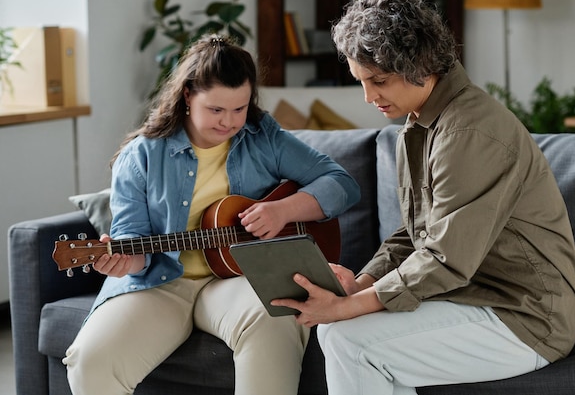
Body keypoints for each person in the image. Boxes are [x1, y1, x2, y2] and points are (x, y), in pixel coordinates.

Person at [271, 0, 575, 395]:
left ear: (416, 63)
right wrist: (361, 283)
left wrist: (347, 305)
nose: (368, 97)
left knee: (350, 340)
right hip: (475, 297)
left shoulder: (468, 131)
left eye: (378, 80)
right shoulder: (420, 124)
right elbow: (416, 234)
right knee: (340, 334)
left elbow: (445, 259)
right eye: (360, 81)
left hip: (525, 315)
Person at [62, 34, 360, 395]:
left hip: (240, 280)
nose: (230, 122)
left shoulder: (262, 137)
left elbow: (342, 184)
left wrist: (284, 210)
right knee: (90, 360)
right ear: (187, 96)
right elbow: (133, 245)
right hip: (161, 284)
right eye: (216, 110)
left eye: (240, 108)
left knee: (276, 315)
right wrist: (125, 262)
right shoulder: (140, 157)